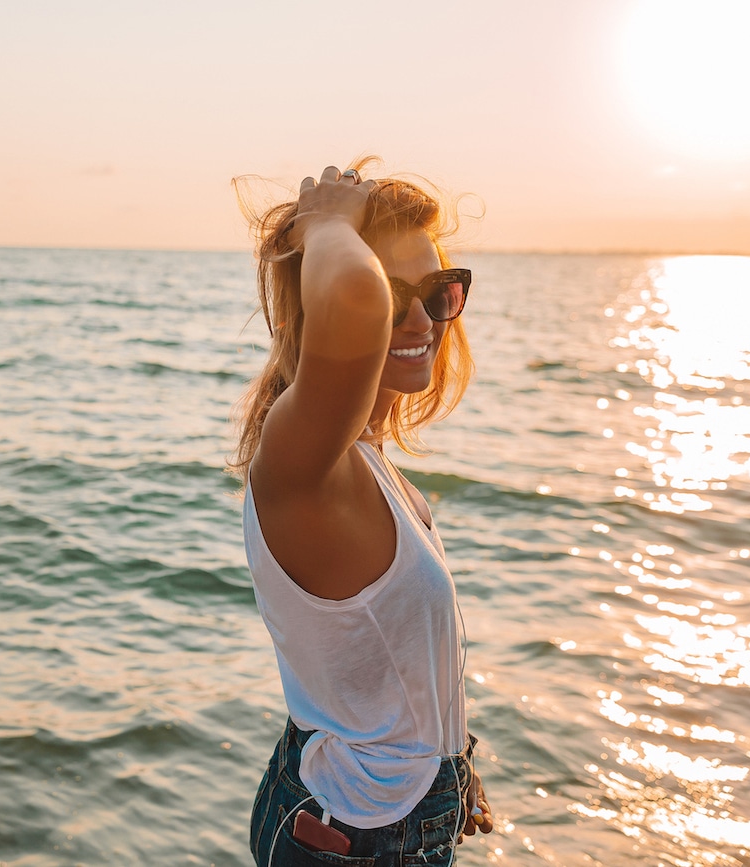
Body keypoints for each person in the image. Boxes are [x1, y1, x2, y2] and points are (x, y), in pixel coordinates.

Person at [231, 160, 493, 865]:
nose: (419, 320)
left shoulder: (369, 462)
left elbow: (395, 660)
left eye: (438, 291)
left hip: (395, 817)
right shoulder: (304, 465)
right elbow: (351, 298)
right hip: (353, 835)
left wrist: (452, 764)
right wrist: (325, 222)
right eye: (392, 292)